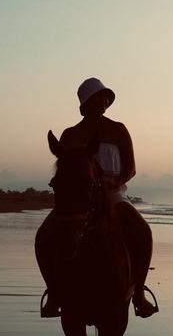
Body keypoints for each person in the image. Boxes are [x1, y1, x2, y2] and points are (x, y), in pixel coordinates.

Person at [36, 77, 157, 318]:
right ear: (85, 103)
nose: (103, 101)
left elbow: (130, 168)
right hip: (80, 198)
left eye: (105, 97)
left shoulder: (118, 130)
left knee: (142, 232)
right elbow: (65, 168)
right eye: (98, 97)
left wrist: (116, 182)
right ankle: (54, 292)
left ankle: (139, 293)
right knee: (44, 236)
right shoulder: (70, 134)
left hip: (114, 196)